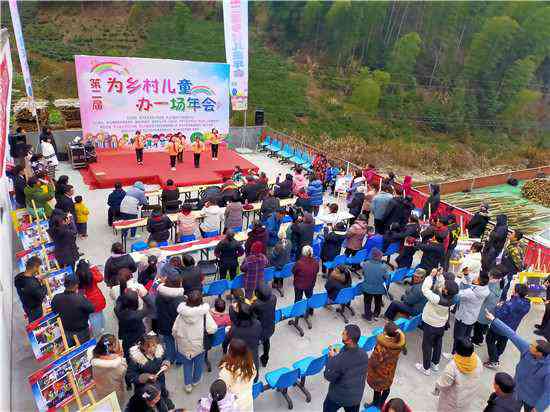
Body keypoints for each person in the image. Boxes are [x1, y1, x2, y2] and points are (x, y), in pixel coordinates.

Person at [485, 309, 550, 412]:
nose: (529, 346)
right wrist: (494, 320)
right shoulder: (527, 349)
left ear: (539, 353)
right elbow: (512, 335)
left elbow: (548, 392)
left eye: (532, 346)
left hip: (532, 400)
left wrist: (538, 408)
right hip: (517, 392)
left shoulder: (548, 369)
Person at [172, 290, 217, 393]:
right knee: (198, 364)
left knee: (187, 365)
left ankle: (187, 385)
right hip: (199, 346)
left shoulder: (181, 314)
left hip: (184, 346)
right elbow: (212, 329)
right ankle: (196, 381)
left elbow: (174, 330)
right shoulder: (204, 314)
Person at [416, 269, 459, 376]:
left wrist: (431, 276)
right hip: (441, 324)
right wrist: (439, 276)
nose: (442, 285)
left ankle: (426, 368)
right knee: (438, 343)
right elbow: (441, 287)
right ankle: (435, 363)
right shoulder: (454, 298)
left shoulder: (436, 299)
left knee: (427, 345)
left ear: (445, 291)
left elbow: (425, 289)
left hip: (430, 324)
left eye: (444, 285)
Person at [323, 324, 369, 412]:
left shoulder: (339, 360)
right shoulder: (364, 354)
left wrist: (331, 358)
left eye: (344, 334)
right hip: (356, 398)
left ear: (350, 340)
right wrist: (338, 356)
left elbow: (328, 376)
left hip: (338, 397)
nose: (342, 335)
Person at [484, 283, 531, 369]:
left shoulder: (510, 304)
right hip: (510, 328)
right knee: (502, 342)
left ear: (517, 293)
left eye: (514, 290)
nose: (512, 291)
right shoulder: (527, 304)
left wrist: (498, 307)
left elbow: (499, 315)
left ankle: (494, 361)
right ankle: (496, 355)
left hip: (499, 326)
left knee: (490, 340)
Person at [434, 338, 482, 412]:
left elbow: (443, 384)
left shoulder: (452, 366)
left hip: (453, 400)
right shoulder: (477, 360)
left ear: (456, 350)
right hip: (468, 396)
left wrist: (437, 389)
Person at [366, 321, 406, 409]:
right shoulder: (399, 342)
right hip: (390, 370)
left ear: (385, 332)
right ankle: (381, 404)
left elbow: (374, 361)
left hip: (379, 373)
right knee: (386, 387)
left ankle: (375, 405)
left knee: (377, 389)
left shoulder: (382, 346)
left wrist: (369, 365)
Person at [127, 334, 173, 408]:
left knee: (163, 396)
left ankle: (164, 400)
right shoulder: (136, 359)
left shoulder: (159, 350)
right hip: (146, 388)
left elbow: (166, 357)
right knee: (151, 405)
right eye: (149, 346)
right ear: (142, 346)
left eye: (154, 345)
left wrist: (166, 363)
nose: (153, 348)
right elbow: (130, 375)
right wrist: (145, 377)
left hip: (161, 381)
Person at [450, 274, 490, 354]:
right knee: (466, 337)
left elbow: (458, 293)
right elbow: (472, 285)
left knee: (458, 337)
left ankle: (454, 354)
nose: (474, 278)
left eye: (477, 278)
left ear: (478, 282)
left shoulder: (471, 293)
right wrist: (466, 275)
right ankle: (463, 354)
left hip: (463, 317)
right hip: (472, 317)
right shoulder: (485, 290)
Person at [51, 277, 94, 346]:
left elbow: (54, 310)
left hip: (66, 332)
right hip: (81, 332)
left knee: (72, 349)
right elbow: (91, 309)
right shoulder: (80, 298)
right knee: (84, 350)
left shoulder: (56, 297)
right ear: (76, 285)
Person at [224, 302, 262, 375]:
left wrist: (224, 348)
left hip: (239, 355)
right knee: (253, 373)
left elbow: (227, 340)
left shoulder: (235, 329)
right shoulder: (257, 323)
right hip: (253, 354)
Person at [219, 339, 256, 412]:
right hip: (247, 400)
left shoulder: (227, 371)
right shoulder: (251, 365)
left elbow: (222, 389)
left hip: (234, 404)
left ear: (230, 353)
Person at [156, 277, 186, 364]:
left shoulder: (159, 295)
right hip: (176, 325)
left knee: (169, 343)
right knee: (180, 343)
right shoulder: (179, 299)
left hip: (164, 324)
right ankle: (180, 359)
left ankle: (170, 358)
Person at [90, 334, 128, 403]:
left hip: (100, 390)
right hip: (115, 392)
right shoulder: (118, 363)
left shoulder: (94, 358)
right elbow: (123, 374)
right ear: (112, 347)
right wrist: (120, 357)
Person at [472, 268, 503, 346]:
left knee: (478, 326)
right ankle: (481, 336)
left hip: (483, 310)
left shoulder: (490, 287)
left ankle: (477, 341)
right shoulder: (499, 284)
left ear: (491, 276)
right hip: (491, 310)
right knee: (483, 325)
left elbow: (481, 295)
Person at [115, 289, 149, 358]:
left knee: (127, 352)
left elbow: (119, 301)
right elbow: (148, 306)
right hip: (139, 335)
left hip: (125, 336)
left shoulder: (118, 311)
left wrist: (124, 295)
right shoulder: (138, 314)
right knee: (139, 352)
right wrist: (143, 296)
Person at [76, 260, 106, 337]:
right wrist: (93, 267)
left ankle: (97, 332)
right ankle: (102, 328)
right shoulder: (91, 275)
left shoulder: (78, 277)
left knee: (93, 317)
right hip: (98, 298)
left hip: (88, 301)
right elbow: (101, 278)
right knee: (100, 313)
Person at [360, 248, 390, 321]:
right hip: (379, 289)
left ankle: (368, 316)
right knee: (378, 301)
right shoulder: (383, 267)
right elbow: (387, 277)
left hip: (367, 288)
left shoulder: (365, 264)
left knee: (367, 302)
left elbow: (363, 273)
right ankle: (376, 314)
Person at [14, 256, 47, 322]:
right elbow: (41, 295)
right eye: (38, 267)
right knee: (37, 325)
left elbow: (29, 289)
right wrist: (44, 285)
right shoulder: (31, 283)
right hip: (35, 311)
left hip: (27, 307)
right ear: (34, 267)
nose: (38, 270)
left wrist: (36, 280)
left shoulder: (19, 277)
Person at [253, 284, 277, 367]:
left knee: (254, 346)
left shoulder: (257, 305)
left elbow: (252, 315)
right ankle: (265, 358)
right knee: (266, 341)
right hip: (270, 326)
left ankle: (254, 362)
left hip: (259, 330)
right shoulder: (274, 298)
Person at [292, 245, 319, 318]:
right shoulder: (316, 262)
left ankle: (297, 314)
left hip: (299, 285)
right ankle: (310, 311)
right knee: (309, 297)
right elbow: (317, 271)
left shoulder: (299, 263)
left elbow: (293, 271)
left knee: (298, 299)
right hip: (310, 284)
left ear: (303, 253)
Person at [499, 230, 524, 301]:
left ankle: (501, 300)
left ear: (515, 238)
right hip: (504, 269)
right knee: (502, 285)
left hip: (508, 271)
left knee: (504, 286)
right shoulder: (511, 245)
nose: (510, 234)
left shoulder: (514, 249)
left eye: (512, 234)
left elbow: (519, 264)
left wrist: (514, 271)